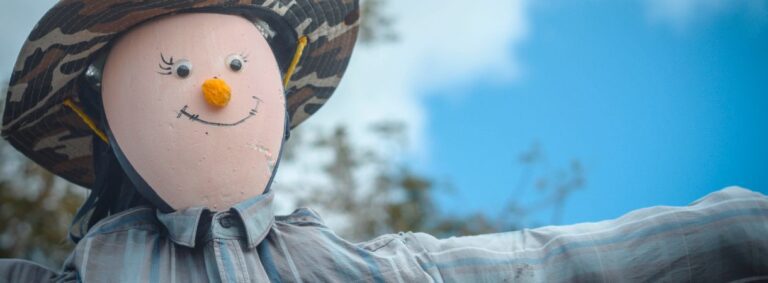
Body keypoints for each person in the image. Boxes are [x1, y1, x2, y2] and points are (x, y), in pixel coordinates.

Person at [1, 1, 766, 282]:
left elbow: (552, 258)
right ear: (108, 124)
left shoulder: (379, 270)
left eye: (237, 66)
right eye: (177, 72)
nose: (217, 89)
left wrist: (744, 224)